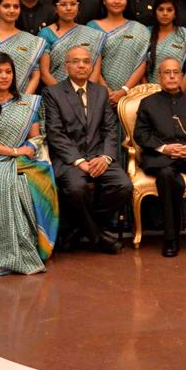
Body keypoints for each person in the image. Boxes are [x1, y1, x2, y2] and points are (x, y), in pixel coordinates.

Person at [0, 53, 59, 275]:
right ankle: (8, 250)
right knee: (6, 183)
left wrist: (23, 152)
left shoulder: (27, 102)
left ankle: (36, 246)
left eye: (8, 72)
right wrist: (12, 152)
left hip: (23, 159)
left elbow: (35, 137)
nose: (4, 76)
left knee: (40, 178)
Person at [42, 45, 129, 254]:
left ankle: (78, 228)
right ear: (66, 66)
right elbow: (55, 134)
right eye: (76, 61)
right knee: (76, 189)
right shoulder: (53, 93)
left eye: (86, 61)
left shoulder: (100, 92)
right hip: (70, 159)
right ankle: (98, 236)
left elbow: (110, 129)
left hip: (99, 156)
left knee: (123, 186)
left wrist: (107, 157)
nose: (82, 65)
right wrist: (79, 161)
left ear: (91, 66)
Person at [135, 58, 186, 257]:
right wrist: (165, 148)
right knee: (166, 176)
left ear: (181, 76)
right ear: (159, 77)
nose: (172, 76)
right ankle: (171, 239)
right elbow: (141, 135)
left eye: (175, 73)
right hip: (161, 158)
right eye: (167, 73)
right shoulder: (147, 104)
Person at [89, 0, 149, 106]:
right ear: (104, 1)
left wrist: (124, 91)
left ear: (127, 1)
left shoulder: (140, 30)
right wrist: (106, 90)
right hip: (98, 93)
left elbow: (142, 63)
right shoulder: (91, 27)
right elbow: (90, 61)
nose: (117, 1)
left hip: (131, 96)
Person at [40, 0, 104, 86]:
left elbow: (95, 70)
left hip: (88, 94)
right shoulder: (46, 33)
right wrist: (65, 96)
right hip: (57, 94)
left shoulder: (92, 34)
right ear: (55, 8)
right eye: (63, 4)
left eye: (73, 4)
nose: (69, 8)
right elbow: (44, 73)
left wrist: (86, 93)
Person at [145, 0, 186, 91]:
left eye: (169, 10)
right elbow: (141, 67)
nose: (165, 13)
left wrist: (178, 93)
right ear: (155, 12)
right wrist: (148, 92)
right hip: (150, 93)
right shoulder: (146, 33)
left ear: (175, 13)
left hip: (177, 93)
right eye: (161, 9)